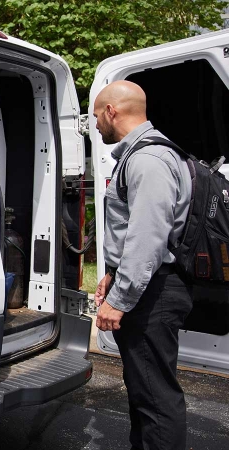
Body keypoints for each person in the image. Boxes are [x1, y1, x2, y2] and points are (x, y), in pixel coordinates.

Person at [93, 80, 194, 450]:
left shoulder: (147, 160)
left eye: (97, 117)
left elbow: (147, 238)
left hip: (153, 293)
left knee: (155, 400)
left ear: (111, 112)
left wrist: (119, 299)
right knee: (145, 392)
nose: (97, 126)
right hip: (150, 286)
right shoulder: (146, 155)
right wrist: (110, 272)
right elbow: (131, 231)